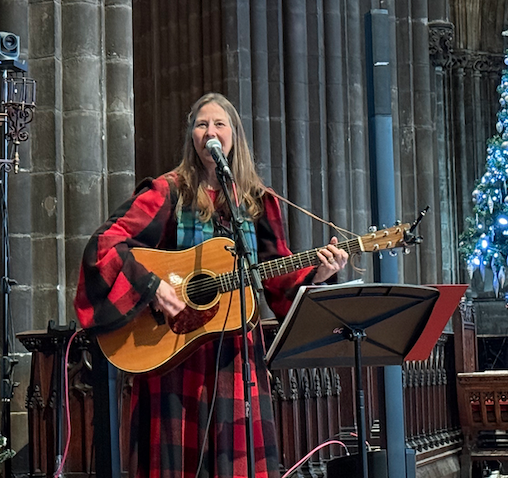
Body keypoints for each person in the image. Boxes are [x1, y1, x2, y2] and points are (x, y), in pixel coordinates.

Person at [74, 93, 348, 478]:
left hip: (235, 351)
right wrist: (152, 285)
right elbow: (106, 244)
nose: (210, 131)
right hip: (175, 350)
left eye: (220, 124)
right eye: (202, 124)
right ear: (192, 137)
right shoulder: (168, 191)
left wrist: (318, 274)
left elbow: (276, 274)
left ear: (234, 136)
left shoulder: (256, 201)